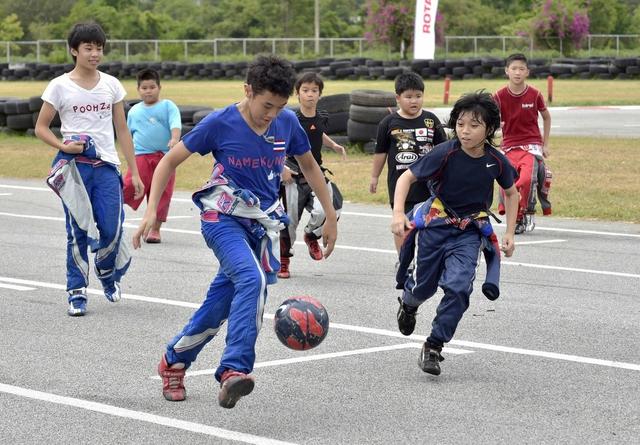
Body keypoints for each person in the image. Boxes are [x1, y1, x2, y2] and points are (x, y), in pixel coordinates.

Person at [132, 55, 338, 408]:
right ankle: (233, 371)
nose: (271, 114)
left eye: (279, 106)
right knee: (252, 280)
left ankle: (174, 361)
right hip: (221, 218)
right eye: (266, 105)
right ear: (248, 91)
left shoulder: (287, 123)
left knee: (220, 305)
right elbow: (168, 161)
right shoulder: (221, 122)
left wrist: (330, 215)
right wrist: (151, 210)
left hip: (259, 225)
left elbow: (310, 166)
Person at [391, 91, 518, 376]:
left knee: (459, 288)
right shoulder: (446, 152)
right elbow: (406, 177)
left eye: (474, 125)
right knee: (424, 287)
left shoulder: (496, 161)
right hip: (436, 227)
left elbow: (511, 193)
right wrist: (399, 212)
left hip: (468, 232)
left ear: (489, 128)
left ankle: (434, 345)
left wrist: (509, 232)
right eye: (460, 124)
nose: (465, 131)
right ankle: (409, 304)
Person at [35, 22, 144, 317]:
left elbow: (122, 130)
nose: (95, 53)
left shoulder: (111, 84)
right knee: (78, 232)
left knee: (111, 228)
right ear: (74, 50)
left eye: (99, 48)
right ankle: (77, 291)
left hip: (107, 166)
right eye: (88, 48)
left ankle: (107, 274)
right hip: (75, 169)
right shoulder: (59, 85)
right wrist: (62, 145)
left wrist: (134, 171)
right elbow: (40, 127)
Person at [278, 72, 346, 279]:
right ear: (297, 94)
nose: (310, 95)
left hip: (316, 173)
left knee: (332, 207)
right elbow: (277, 143)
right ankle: (284, 261)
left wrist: (333, 145)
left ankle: (311, 235)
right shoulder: (291, 119)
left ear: (320, 94)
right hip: (293, 173)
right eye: (305, 91)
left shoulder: (322, 117)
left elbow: (317, 133)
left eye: (314, 91)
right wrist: (282, 167)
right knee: (289, 221)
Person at [370, 72, 447, 253]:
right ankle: (404, 261)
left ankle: (427, 258)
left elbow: (444, 150)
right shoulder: (388, 123)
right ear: (398, 98)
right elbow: (380, 152)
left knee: (430, 223)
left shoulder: (430, 120)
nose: (414, 101)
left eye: (418, 96)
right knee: (402, 223)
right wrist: (374, 176)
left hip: (428, 184)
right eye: (409, 97)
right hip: (400, 184)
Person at [494, 53, 552, 234]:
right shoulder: (499, 95)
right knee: (508, 182)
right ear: (506, 71)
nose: (517, 72)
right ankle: (516, 216)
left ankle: (525, 212)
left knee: (527, 180)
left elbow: (546, 117)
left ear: (527, 72)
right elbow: (491, 121)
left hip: (531, 145)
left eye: (521, 69)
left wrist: (546, 144)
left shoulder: (535, 94)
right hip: (509, 146)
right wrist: (497, 127)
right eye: (513, 69)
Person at [122, 68, 182, 243]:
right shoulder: (134, 112)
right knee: (130, 185)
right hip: (141, 156)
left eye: (152, 87)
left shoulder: (167, 106)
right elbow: (127, 134)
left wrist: (175, 138)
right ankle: (112, 212)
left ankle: (155, 229)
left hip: (165, 158)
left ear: (159, 87)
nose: (148, 91)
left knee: (163, 192)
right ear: (138, 89)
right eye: (144, 88)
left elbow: (175, 124)